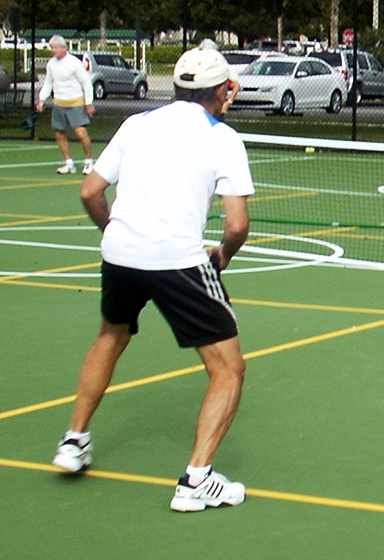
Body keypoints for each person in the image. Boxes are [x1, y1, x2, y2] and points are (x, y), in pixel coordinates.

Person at [51, 46, 255, 513]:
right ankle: (196, 480)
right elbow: (237, 225)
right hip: (178, 260)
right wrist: (223, 256)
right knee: (228, 368)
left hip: (120, 256)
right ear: (224, 90)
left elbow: (90, 191)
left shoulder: (136, 124)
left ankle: (74, 440)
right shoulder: (222, 138)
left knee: (111, 336)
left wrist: (114, 233)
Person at [36, 35, 95, 175]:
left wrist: (88, 103)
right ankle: (69, 164)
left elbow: (86, 83)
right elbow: (48, 82)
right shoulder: (51, 64)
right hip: (59, 103)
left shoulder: (74, 63)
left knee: (81, 132)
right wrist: (41, 99)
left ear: (64, 48)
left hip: (76, 103)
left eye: (55, 47)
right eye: (52, 48)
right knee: (60, 134)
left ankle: (88, 162)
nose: (53, 50)